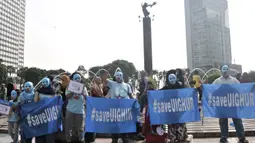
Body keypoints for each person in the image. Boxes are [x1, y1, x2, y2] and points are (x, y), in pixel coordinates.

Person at [212, 65, 249, 143]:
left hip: (233, 104)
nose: (225, 71)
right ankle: (224, 137)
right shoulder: (217, 81)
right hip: (222, 105)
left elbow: (240, 91)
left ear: (229, 70)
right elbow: (211, 91)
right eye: (223, 69)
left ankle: (241, 137)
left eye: (226, 69)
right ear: (221, 70)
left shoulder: (234, 81)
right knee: (222, 122)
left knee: (237, 121)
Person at [102, 70, 134, 143]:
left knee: (124, 124)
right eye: (117, 75)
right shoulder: (112, 84)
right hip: (114, 109)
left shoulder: (127, 85)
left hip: (124, 109)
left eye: (120, 75)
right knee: (114, 125)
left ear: (122, 76)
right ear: (115, 76)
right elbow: (104, 80)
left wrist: (135, 103)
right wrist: (106, 74)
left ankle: (124, 138)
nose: (118, 77)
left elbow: (130, 96)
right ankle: (114, 139)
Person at [161, 70, 189, 143]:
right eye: (171, 78)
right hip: (170, 110)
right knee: (172, 125)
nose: (172, 80)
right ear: (168, 79)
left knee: (180, 124)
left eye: (173, 78)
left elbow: (186, 94)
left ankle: (181, 136)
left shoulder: (180, 86)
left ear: (176, 78)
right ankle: (172, 137)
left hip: (179, 109)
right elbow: (158, 94)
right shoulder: (166, 88)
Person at [65, 73, 87, 143]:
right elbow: (67, 96)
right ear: (73, 79)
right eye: (76, 78)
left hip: (80, 111)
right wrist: (73, 90)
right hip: (70, 110)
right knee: (68, 128)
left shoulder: (84, 88)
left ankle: (81, 140)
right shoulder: (69, 86)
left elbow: (87, 98)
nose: (77, 79)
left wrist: (82, 92)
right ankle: (68, 140)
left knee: (81, 129)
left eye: (79, 78)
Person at [34, 77, 56, 143]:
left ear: (49, 82)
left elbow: (54, 103)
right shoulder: (38, 91)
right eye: (43, 82)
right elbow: (35, 101)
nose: (44, 83)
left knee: (48, 130)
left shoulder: (53, 91)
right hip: (40, 112)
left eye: (46, 82)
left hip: (49, 112)